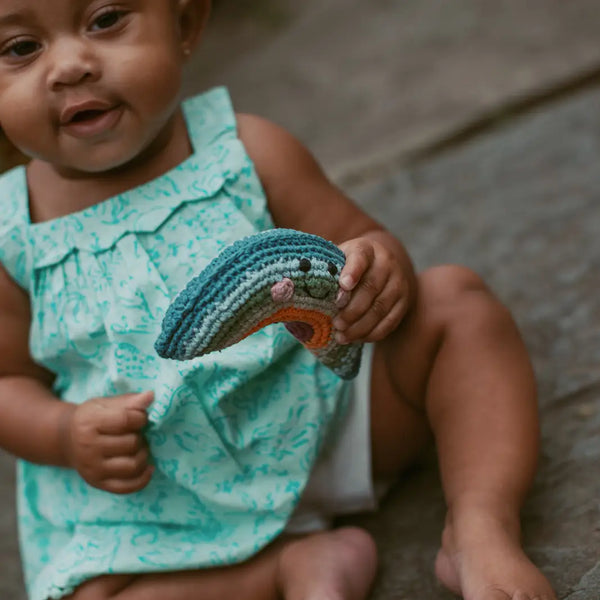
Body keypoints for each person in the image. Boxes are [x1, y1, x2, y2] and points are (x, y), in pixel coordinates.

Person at [0, 1, 556, 599]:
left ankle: (479, 527)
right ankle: (285, 571)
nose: (70, 66)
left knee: (456, 303)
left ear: (184, 25)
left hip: (325, 418)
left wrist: (375, 271)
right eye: (20, 48)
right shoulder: (13, 232)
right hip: (163, 504)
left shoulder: (246, 149)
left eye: (106, 19)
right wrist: (63, 433)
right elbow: (7, 381)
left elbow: (361, 241)